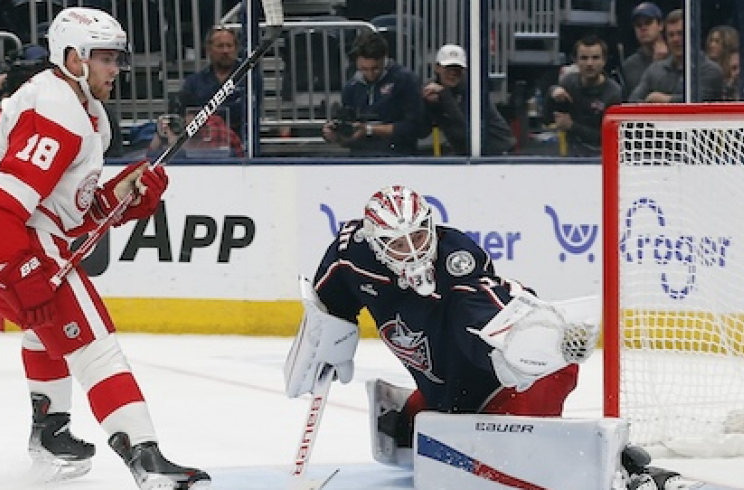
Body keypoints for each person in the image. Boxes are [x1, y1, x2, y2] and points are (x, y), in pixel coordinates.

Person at [0, 7, 210, 489]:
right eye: (105, 58)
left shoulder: (77, 109)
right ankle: (146, 459)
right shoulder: (58, 109)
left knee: (47, 325)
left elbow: (73, 213)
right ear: (74, 58)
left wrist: (124, 193)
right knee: (94, 344)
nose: (116, 69)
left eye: (117, 59)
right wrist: (22, 270)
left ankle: (50, 432)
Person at [284, 185, 694, 490]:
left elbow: (488, 308)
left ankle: (619, 468)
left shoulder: (457, 259)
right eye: (397, 243)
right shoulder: (349, 256)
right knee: (406, 434)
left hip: (516, 380)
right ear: (375, 243)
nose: (412, 251)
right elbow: (328, 306)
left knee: (515, 463)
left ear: (431, 224)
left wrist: (528, 346)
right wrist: (326, 340)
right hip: (447, 391)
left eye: (419, 237)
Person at [322, 31, 426, 156]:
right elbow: (350, 136)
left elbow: (417, 127)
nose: (370, 74)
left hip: (398, 155)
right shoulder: (351, 87)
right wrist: (337, 136)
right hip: (360, 157)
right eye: (364, 69)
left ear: (385, 58)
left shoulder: (406, 80)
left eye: (375, 68)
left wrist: (370, 130)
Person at [422, 43, 514, 156]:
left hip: (496, 150)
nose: (453, 74)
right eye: (448, 68)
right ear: (437, 68)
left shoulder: (473, 91)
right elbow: (422, 130)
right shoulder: (430, 89)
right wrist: (428, 104)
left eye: (458, 69)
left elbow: (466, 130)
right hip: (466, 151)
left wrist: (444, 96)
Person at [547, 35, 622, 156]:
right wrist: (552, 93)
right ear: (575, 60)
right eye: (584, 58)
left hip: (602, 158)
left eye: (595, 58)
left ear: (604, 61)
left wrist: (572, 126)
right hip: (570, 155)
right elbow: (547, 119)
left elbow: (609, 137)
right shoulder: (568, 83)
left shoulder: (613, 93)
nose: (589, 63)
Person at [629, 9, 723, 103]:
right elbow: (633, 101)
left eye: (680, 34)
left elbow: (699, 100)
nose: (675, 39)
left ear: (692, 35)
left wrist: (664, 99)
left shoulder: (710, 70)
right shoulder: (654, 70)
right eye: (671, 35)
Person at [180, 25, 249, 139]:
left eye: (229, 46)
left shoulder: (249, 78)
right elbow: (187, 113)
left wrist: (207, 115)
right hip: (203, 143)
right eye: (220, 46)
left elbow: (245, 111)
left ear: (236, 49)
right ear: (209, 49)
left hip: (241, 140)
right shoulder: (194, 82)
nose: (225, 51)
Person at [147, 111, 245, 158]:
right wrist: (160, 137)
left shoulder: (219, 132)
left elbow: (240, 161)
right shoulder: (169, 133)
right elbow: (150, 160)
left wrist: (181, 146)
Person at [620, 2, 668, 99]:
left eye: (648, 22)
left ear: (660, 25)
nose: (643, 28)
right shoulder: (629, 65)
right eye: (638, 25)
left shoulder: (675, 57)